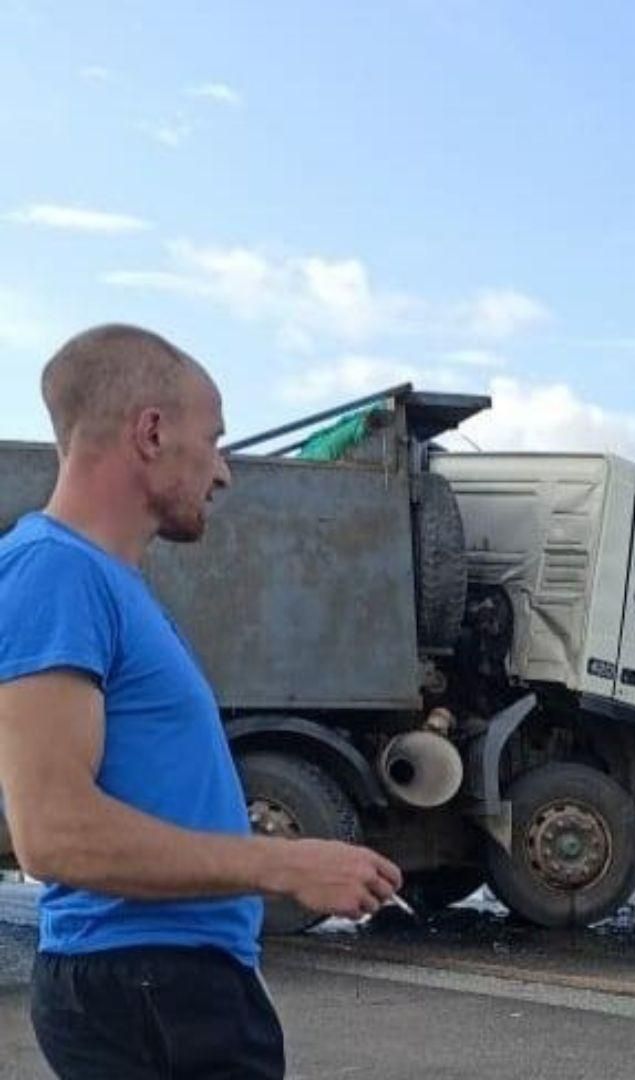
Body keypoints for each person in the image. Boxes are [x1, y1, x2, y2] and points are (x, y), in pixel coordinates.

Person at [0, 324, 404, 1079]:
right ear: (151, 432)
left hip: (164, 988)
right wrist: (282, 865)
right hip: (148, 989)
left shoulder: (104, 581)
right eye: (213, 439)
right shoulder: (54, 572)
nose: (222, 471)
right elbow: (54, 834)